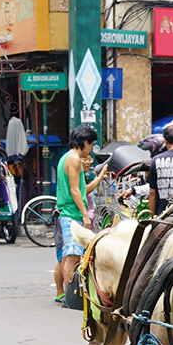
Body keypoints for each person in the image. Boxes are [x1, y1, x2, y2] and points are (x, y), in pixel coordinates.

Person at [55, 125, 99, 305]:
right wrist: (85, 215)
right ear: (85, 142)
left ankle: (67, 294)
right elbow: (75, 190)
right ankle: (70, 297)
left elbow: (78, 189)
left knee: (68, 256)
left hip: (66, 212)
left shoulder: (66, 158)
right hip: (71, 213)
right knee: (73, 257)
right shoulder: (73, 159)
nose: (90, 150)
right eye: (91, 145)